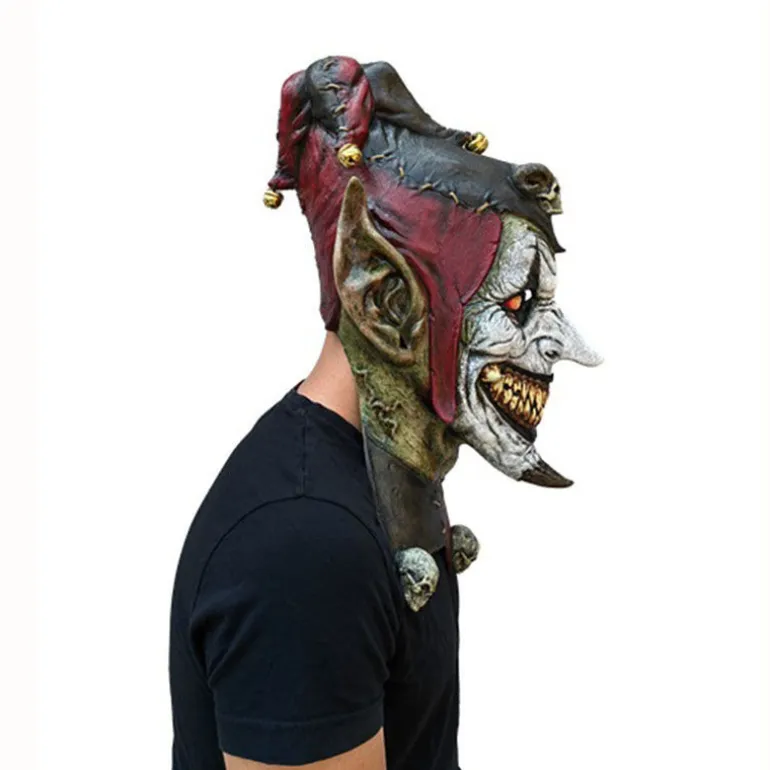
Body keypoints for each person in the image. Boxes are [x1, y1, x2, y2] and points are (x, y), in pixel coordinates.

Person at [169, 56, 600, 770]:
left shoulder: (371, 485)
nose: (563, 345)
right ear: (386, 303)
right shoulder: (304, 551)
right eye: (519, 302)